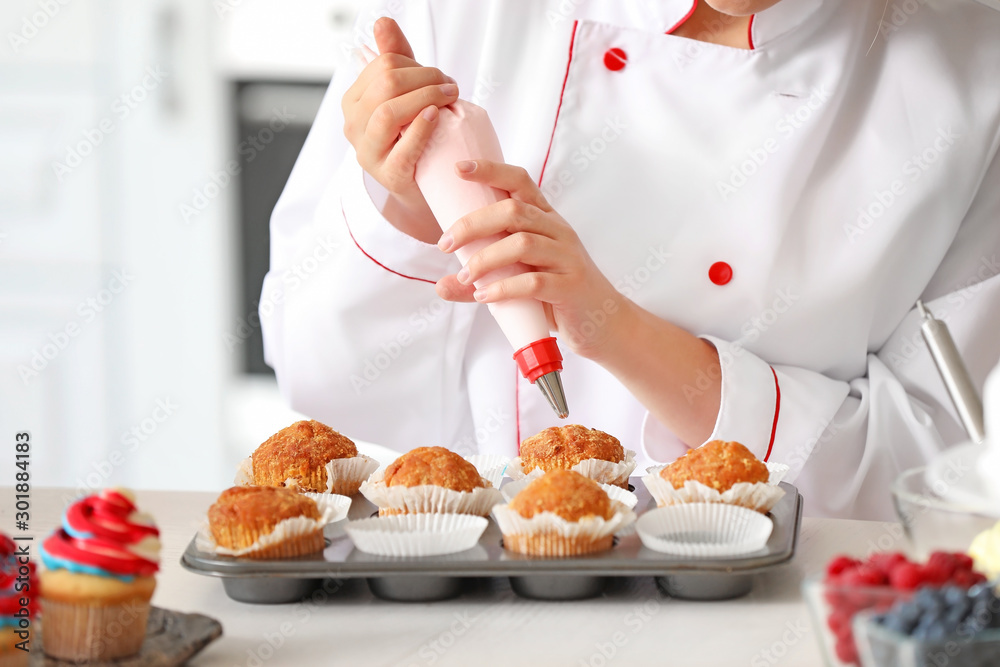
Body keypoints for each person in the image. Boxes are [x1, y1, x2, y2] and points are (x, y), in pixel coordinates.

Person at [260, 0, 1000, 519]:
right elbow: (316, 373)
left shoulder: (971, 80)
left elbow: (939, 472)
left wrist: (614, 329)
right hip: (486, 582)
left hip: (776, 615)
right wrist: (405, 207)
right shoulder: (462, 12)